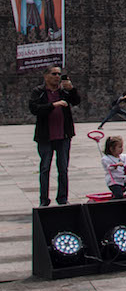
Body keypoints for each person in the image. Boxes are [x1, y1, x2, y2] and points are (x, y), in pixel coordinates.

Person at [29, 65, 81, 206]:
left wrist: (71, 89)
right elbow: (34, 109)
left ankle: (62, 198)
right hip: (45, 137)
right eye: (54, 74)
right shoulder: (39, 92)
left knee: (63, 169)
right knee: (45, 168)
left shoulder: (64, 92)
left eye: (59, 74)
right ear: (46, 76)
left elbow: (76, 101)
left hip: (63, 136)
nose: (57, 76)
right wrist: (54, 105)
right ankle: (44, 200)